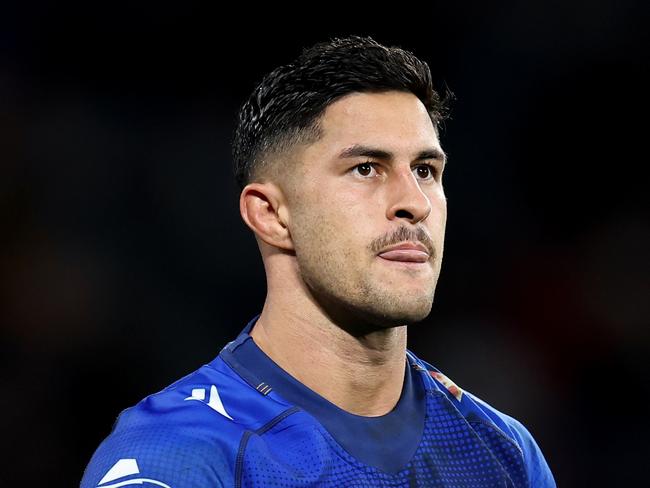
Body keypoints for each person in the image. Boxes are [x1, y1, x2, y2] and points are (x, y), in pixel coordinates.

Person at [81, 35, 556, 487]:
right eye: (366, 168)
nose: (415, 202)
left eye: (425, 170)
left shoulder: (503, 452)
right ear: (270, 215)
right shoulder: (178, 458)